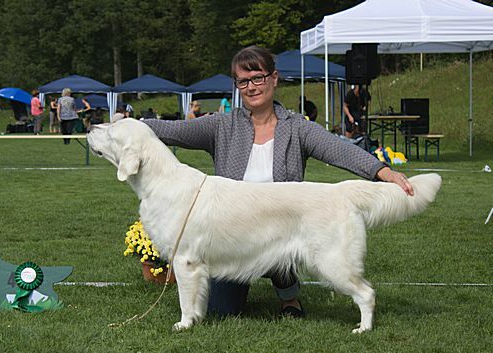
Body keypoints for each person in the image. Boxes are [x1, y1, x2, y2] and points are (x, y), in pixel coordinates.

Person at [143, 45, 413, 318]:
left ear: (274, 78)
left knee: (286, 233)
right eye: (243, 81)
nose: (251, 87)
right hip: (232, 235)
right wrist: (123, 127)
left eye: (258, 77)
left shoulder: (296, 127)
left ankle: (288, 296)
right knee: (222, 311)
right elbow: (170, 130)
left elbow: (337, 148)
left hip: (283, 228)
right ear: (237, 86)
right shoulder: (222, 126)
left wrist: (383, 172)